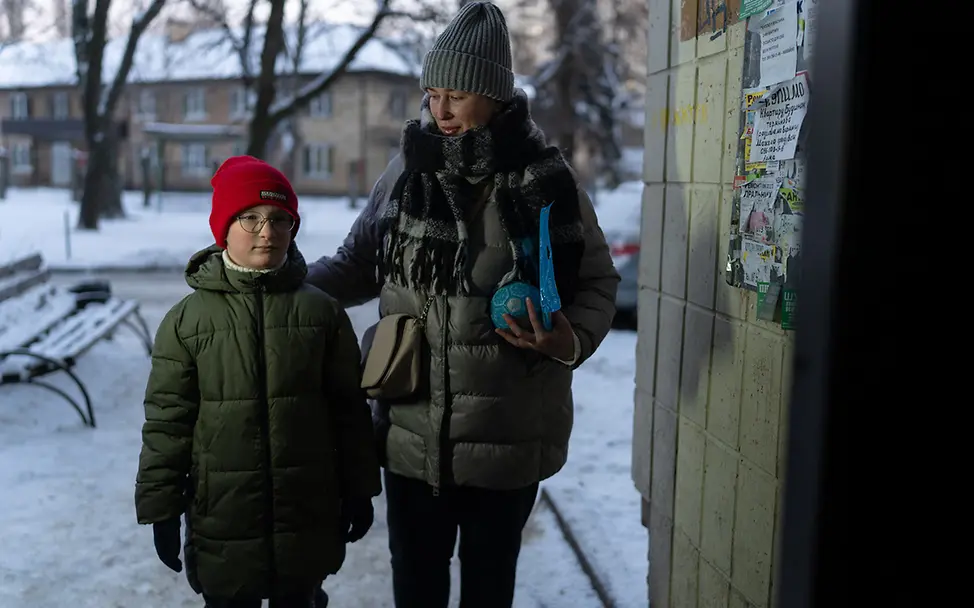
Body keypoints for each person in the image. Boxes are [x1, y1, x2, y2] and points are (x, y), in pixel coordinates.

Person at [305, 2, 620, 606]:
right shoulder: (405, 174)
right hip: (408, 434)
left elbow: (597, 284)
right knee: (415, 585)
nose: (440, 111)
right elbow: (353, 266)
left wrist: (568, 340)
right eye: (433, 94)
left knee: (488, 585)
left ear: (495, 96)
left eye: (457, 94)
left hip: (508, 436)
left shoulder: (546, 182)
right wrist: (274, 284)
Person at [134, 156, 381, 608]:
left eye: (280, 219)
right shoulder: (187, 322)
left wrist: (360, 487)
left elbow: (348, 409)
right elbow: (168, 424)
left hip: (305, 510)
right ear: (223, 228)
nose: (267, 232)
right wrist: (161, 509)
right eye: (250, 218)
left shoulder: (321, 313)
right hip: (223, 516)